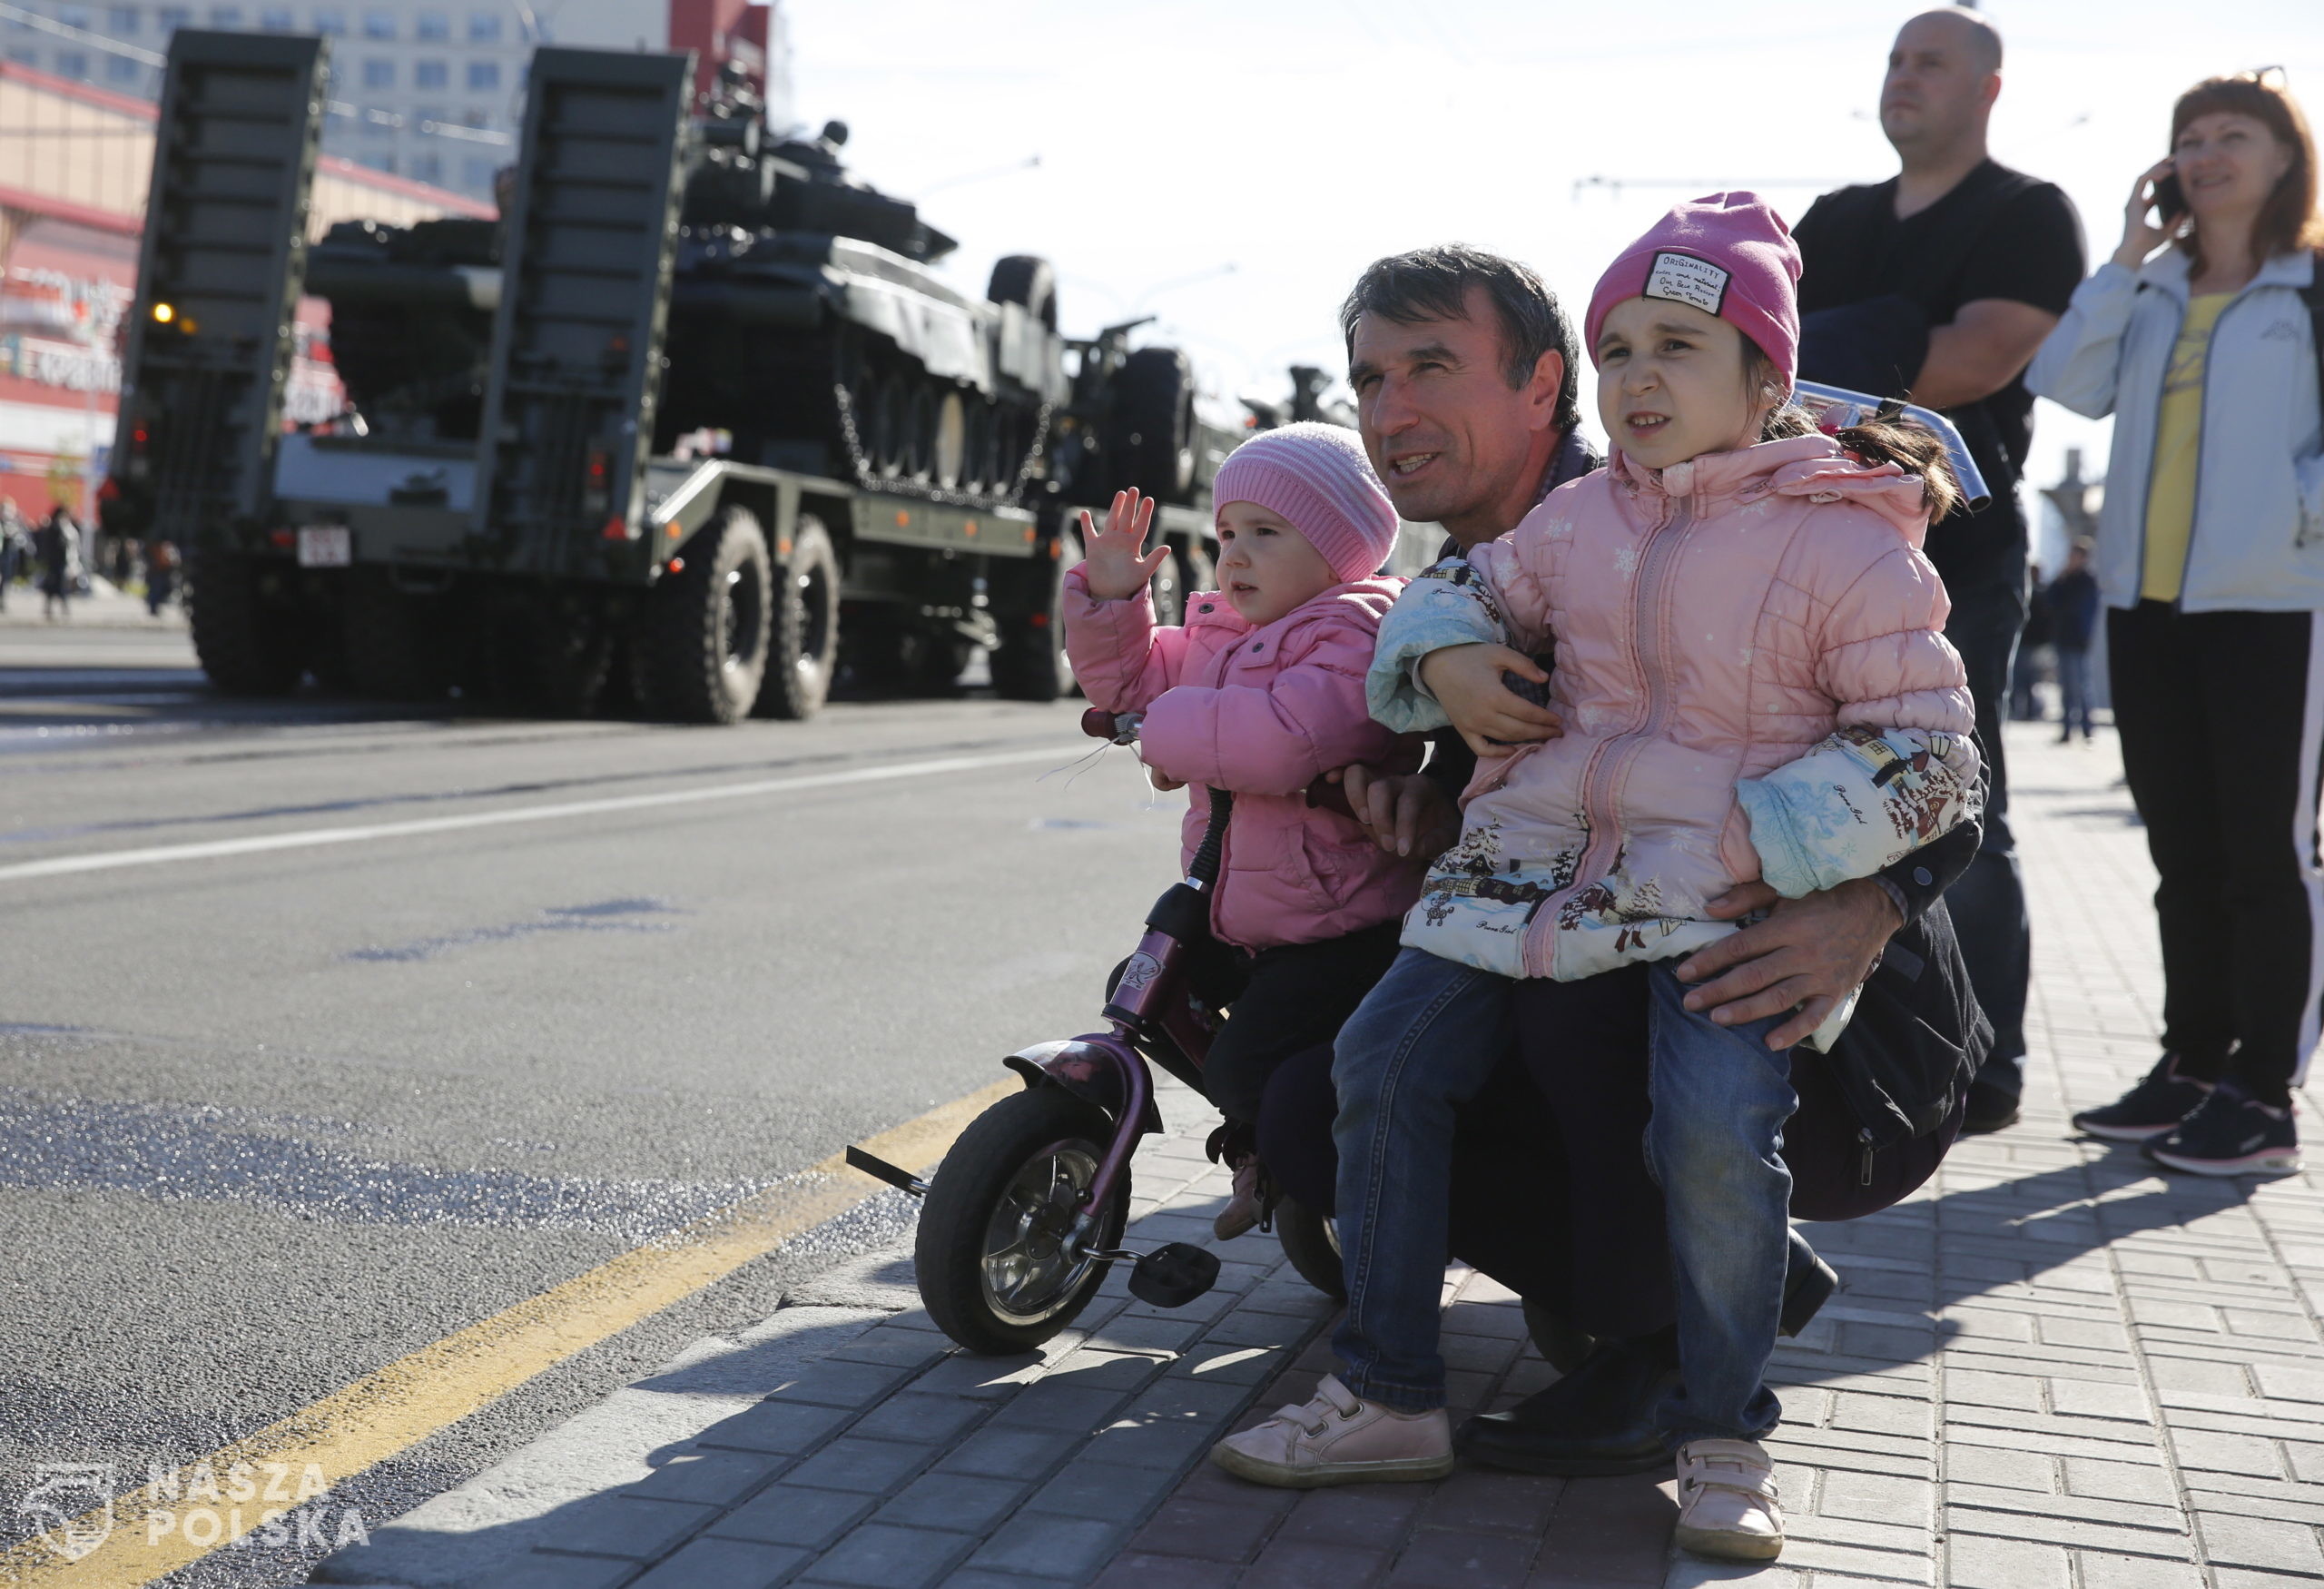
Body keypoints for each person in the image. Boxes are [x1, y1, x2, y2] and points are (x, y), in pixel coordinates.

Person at [1216, 197, 1978, 1564]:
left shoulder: (1846, 534)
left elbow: (1932, 752)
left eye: (1678, 345)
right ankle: (1389, 1386)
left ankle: (1723, 1424)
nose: (1640, 375)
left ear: (1766, 377)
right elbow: (1463, 595)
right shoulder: (1579, 520)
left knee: (1712, 1133)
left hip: (1722, 907)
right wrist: (1441, 655)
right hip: (1529, 885)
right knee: (1375, 1066)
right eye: (1621, 343)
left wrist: (1784, 851)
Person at [1792, 6, 2086, 1134]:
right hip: (1813, 545)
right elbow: (1759, 365)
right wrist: (1889, 330)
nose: (1902, 77)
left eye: (1930, 62)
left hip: (1956, 549)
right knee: (1823, 792)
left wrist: (1845, 341)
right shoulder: (1834, 218)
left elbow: (1977, 359)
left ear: (1987, 90)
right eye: (1894, 59)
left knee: (1961, 799)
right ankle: (1864, 1049)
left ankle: (1985, 1064)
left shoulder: (2026, 214)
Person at [2029, 70, 2324, 1174]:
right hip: (2146, 609)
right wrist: (2123, 259)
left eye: (2229, 135)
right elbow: (2062, 381)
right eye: (2186, 138)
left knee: (2266, 857)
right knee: (2181, 857)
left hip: (2273, 606)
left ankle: (2263, 1096)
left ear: (2284, 156)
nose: (2204, 154)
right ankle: (2191, 1066)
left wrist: (2299, 519)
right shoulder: (2151, 292)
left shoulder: (2311, 288)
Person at [1060, 425, 1423, 1236]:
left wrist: (1163, 726)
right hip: (1244, 907)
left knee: (1244, 1059)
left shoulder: (1355, 630)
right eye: (1228, 535)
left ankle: (1269, 1141)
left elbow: (1284, 739)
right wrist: (1115, 599)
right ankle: (1259, 1126)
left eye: (1266, 534)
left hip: (1338, 921)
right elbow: (1129, 680)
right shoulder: (1224, 632)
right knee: (1148, 982)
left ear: (1341, 552)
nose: (1236, 557)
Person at [2046, 539, 2099, 742]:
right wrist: (2061, 577)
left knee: (2081, 686)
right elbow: (2050, 601)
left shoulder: (2087, 581)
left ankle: (2087, 728)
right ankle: (2067, 729)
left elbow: (2077, 609)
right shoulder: (2065, 579)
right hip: (2062, 639)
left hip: (2078, 641)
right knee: (2067, 687)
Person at [2011, 562, 2052, 721]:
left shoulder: (2036, 593)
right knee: (2024, 679)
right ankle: (2024, 710)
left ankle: (2026, 710)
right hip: (2029, 642)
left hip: (2030, 642)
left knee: (2025, 679)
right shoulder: (2038, 592)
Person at [35, 507, 76, 621]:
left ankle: (58, 607)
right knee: (57, 585)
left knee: (59, 585)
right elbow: (52, 546)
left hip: (62, 562)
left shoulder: (67, 528)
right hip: (55, 562)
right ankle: (60, 607)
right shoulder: (54, 528)